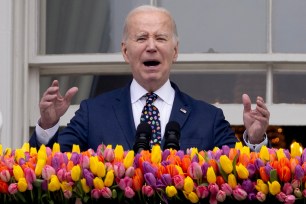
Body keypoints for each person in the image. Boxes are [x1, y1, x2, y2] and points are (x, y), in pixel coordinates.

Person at [29, 5, 270, 153]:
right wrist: (47, 126)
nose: (151, 46)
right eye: (142, 37)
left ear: (175, 52)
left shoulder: (208, 118)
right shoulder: (93, 113)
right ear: (125, 51)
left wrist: (256, 139)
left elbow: (241, 176)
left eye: (161, 38)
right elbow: (53, 168)